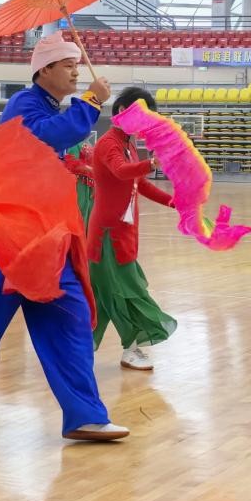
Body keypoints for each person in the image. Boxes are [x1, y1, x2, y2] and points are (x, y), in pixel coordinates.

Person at [0, 32, 127, 442]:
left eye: (77, 63)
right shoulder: (24, 102)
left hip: (47, 235)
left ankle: (85, 414)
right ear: (45, 70)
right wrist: (91, 101)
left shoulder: (50, 106)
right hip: (11, 234)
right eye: (68, 64)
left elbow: (50, 149)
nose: (76, 70)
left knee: (69, 319)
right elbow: (48, 136)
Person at [87, 87, 176, 372]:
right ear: (123, 111)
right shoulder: (108, 144)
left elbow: (139, 184)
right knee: (128, 291)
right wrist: (151, 163)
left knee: (104, 297)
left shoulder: (128, 144)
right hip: (107, 236)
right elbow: (122, 172)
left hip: (122, 232)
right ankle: (130, 348)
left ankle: (82, 350)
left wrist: (175, 202)